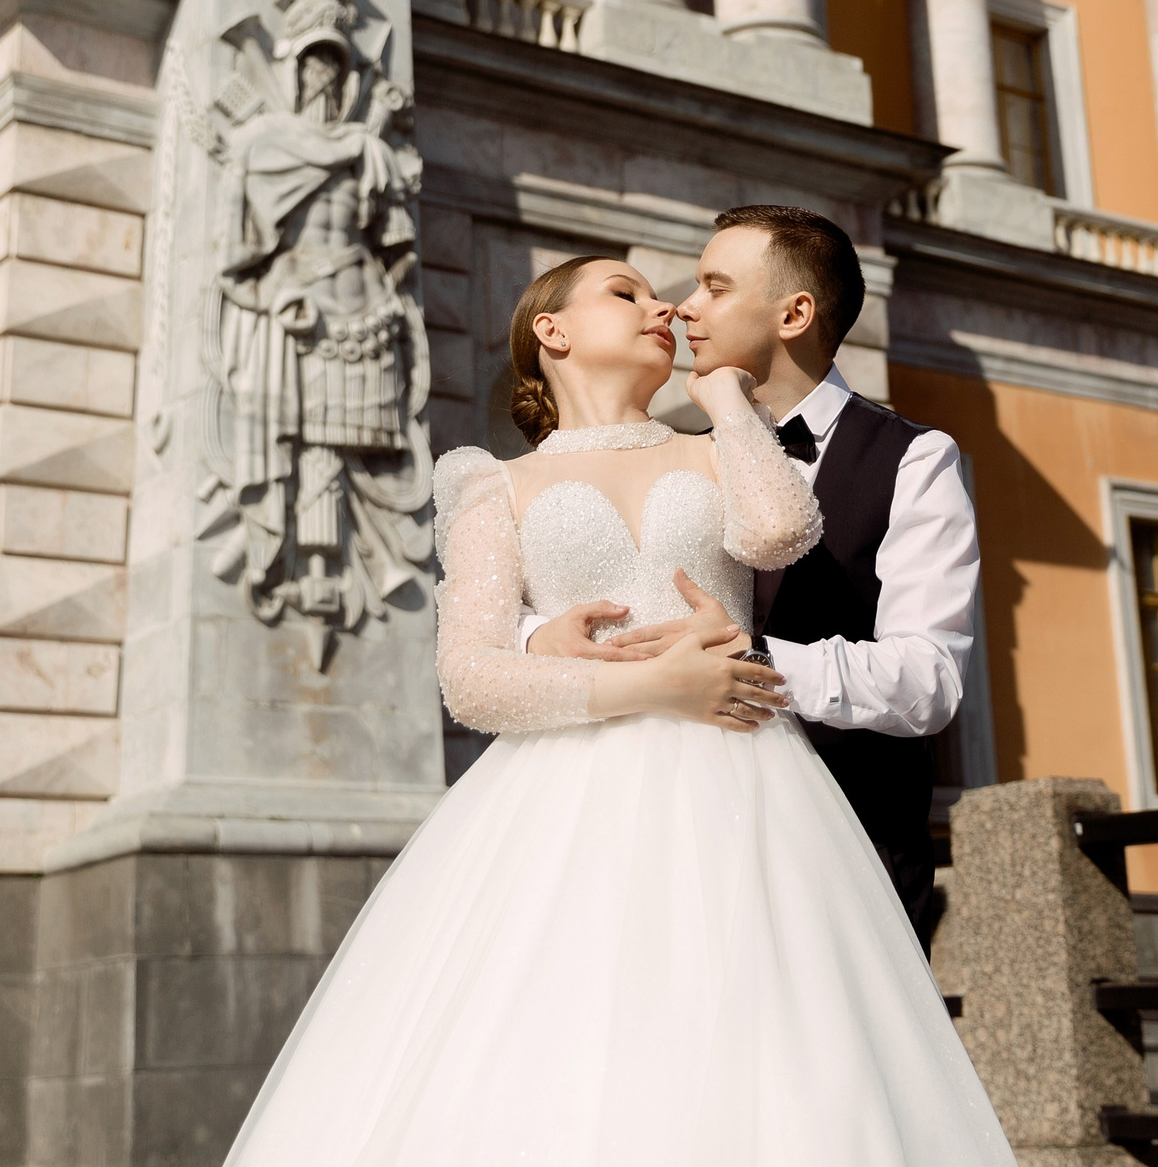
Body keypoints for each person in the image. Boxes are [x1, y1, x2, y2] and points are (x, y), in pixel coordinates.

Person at [224, 255, 1013, 1167]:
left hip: (745, 786)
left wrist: (724, 399)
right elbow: (470, 679)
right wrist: (628, 676)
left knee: (766, 1051)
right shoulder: (493, 484)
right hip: (566, 799)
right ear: (551, 331)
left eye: (663, 295)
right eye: (625, 292)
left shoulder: (718, 445)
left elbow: (781, 532)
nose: (664, 308)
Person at [529, 206, 976, 941]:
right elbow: (600, 590)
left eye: (715, 286)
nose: (682, 307)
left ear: (794, 312)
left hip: (851, 864)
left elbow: (929, 679)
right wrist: (537, 633)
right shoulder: (681, 459)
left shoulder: (916, 460)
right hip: (686, 854)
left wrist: (757, 664)